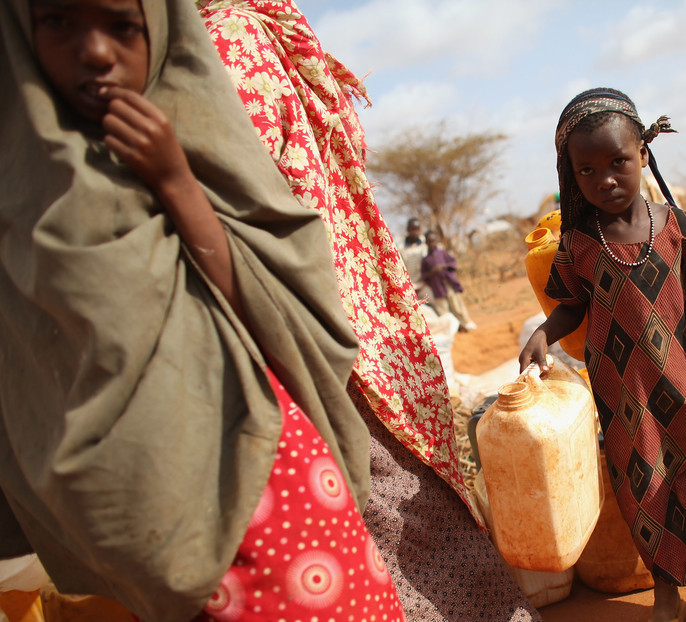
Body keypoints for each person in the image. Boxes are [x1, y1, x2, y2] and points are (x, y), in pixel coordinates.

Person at [0, 0, 406, 620]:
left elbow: (275, 295)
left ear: (161, 30)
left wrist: (175, 181)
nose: (96, 52)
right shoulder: (21, 191)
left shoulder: (191, 134)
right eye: (59, 21)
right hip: (133, 513)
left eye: (121, 26)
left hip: (263, 474)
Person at [196, 2, 540, 620]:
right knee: (409, 516)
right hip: (345, 325)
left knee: (392, 520)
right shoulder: (252, 35)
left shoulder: (229, 41)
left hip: (316, 331)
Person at [519, 88, 686, 622]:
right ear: (571, 175)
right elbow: (573, 305)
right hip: (629, 400)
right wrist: (545, 334)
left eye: (618, 162)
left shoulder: (682, 229)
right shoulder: (579, 243)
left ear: (644, 154)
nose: (604, 180)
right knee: (647, 494)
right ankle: (667, 595)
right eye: (587, 170)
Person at [422, 230, 479, 332]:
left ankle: (466, 322)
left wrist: (443, 266)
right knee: (444, 311)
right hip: (437, 288)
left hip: (449, 285)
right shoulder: (425, 260)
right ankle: (453, 329)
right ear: (426, 243)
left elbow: (453, 264)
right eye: (429, 241)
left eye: (433, 241)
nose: (432, 244)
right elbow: (424, 276)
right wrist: (433, 272)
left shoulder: (443, 253)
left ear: (437, 241)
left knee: (457, 306)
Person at [398, 217, 434, 302]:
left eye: (417, 229)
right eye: (413, 229)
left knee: (433, 303)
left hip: (422, 286)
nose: (415, 232)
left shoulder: (425, 245)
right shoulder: (401, 248)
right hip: (408, 288)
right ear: (408, 230)